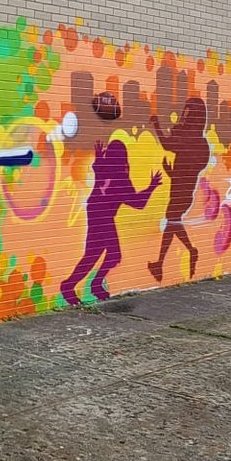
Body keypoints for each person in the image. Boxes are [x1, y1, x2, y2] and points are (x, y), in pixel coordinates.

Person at [61, 92, 160, 305]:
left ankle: (83, 285)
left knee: (95, 254)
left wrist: (100, 157)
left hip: (96, 211)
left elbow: (100, 166)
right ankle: (75, 285)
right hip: (102, 215)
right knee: (108, 255)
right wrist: (151, 187)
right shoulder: (121, 180)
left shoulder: (105, 169)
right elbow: (139, 203)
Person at [148, 95, 211, 281]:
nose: (184, 115)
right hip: (183, 191)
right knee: (172, 223)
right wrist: (170, 172)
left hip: (180, 193)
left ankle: (186, 252)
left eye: (188, 112)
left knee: (172, 221)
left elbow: (167, 144)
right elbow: (188, 171)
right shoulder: (201, 144)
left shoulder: (191, 140)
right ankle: (162, 262)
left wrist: (156, 125)